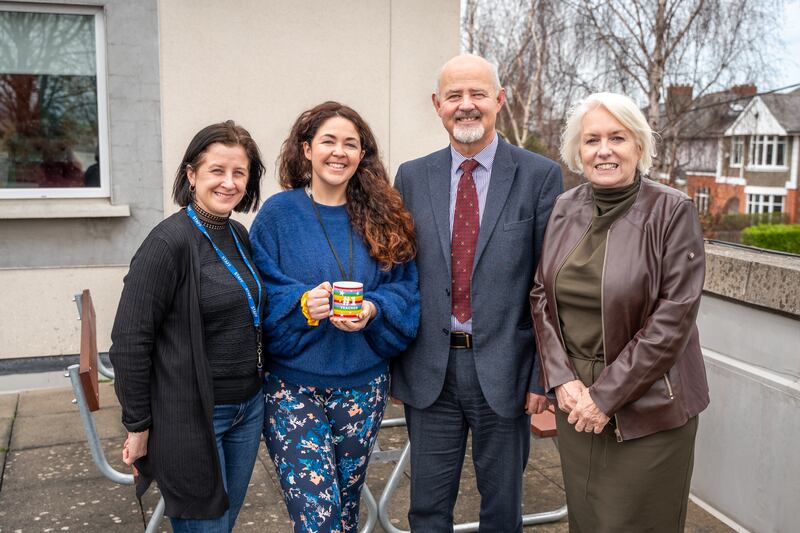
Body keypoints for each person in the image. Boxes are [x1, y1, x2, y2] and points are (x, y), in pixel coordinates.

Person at [391, 53, 564, 532]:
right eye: (454, 96)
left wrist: (541, 378)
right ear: (437, 104)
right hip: (431, 372)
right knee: (426, 507)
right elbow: (397, 273)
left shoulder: (540, 176)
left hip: (506, 373)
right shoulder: (411, 176)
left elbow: (549, 286)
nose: (466, 106)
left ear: (499, 100)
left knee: (502, 509)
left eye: (477, 94)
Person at [529, 92, 710, 532]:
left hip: (647, 410)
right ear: (578, 151)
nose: (604, 150)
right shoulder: (564, 208)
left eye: (618, 137)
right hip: (577, 405)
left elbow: (674, 318)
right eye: (592, 140)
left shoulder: (672, 211)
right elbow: (540, 294)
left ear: (639, 147)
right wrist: (561, 377)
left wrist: (605, 396)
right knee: (588, 521)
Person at [249, 101, 419, 533]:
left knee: (343, 510)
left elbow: (406, 290)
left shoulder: (383, 216)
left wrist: (374, 309)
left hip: (363, 387)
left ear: (362, 154)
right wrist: (302, 305)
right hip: (292, 388)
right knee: (319, 519)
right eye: (328, 141)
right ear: (306, 149)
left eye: (350, 143)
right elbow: (257, 291)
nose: (338, 152)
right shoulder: (278, 214)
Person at [109, 121, 266, 532]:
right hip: (194, 416)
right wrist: (138, 424)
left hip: (247, 409)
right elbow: (129, 340)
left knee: (223, 524)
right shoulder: (167, 243)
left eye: (239, 173)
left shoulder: (237, 233)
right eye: (217, 170)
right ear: (192, 175)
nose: (228, 183)